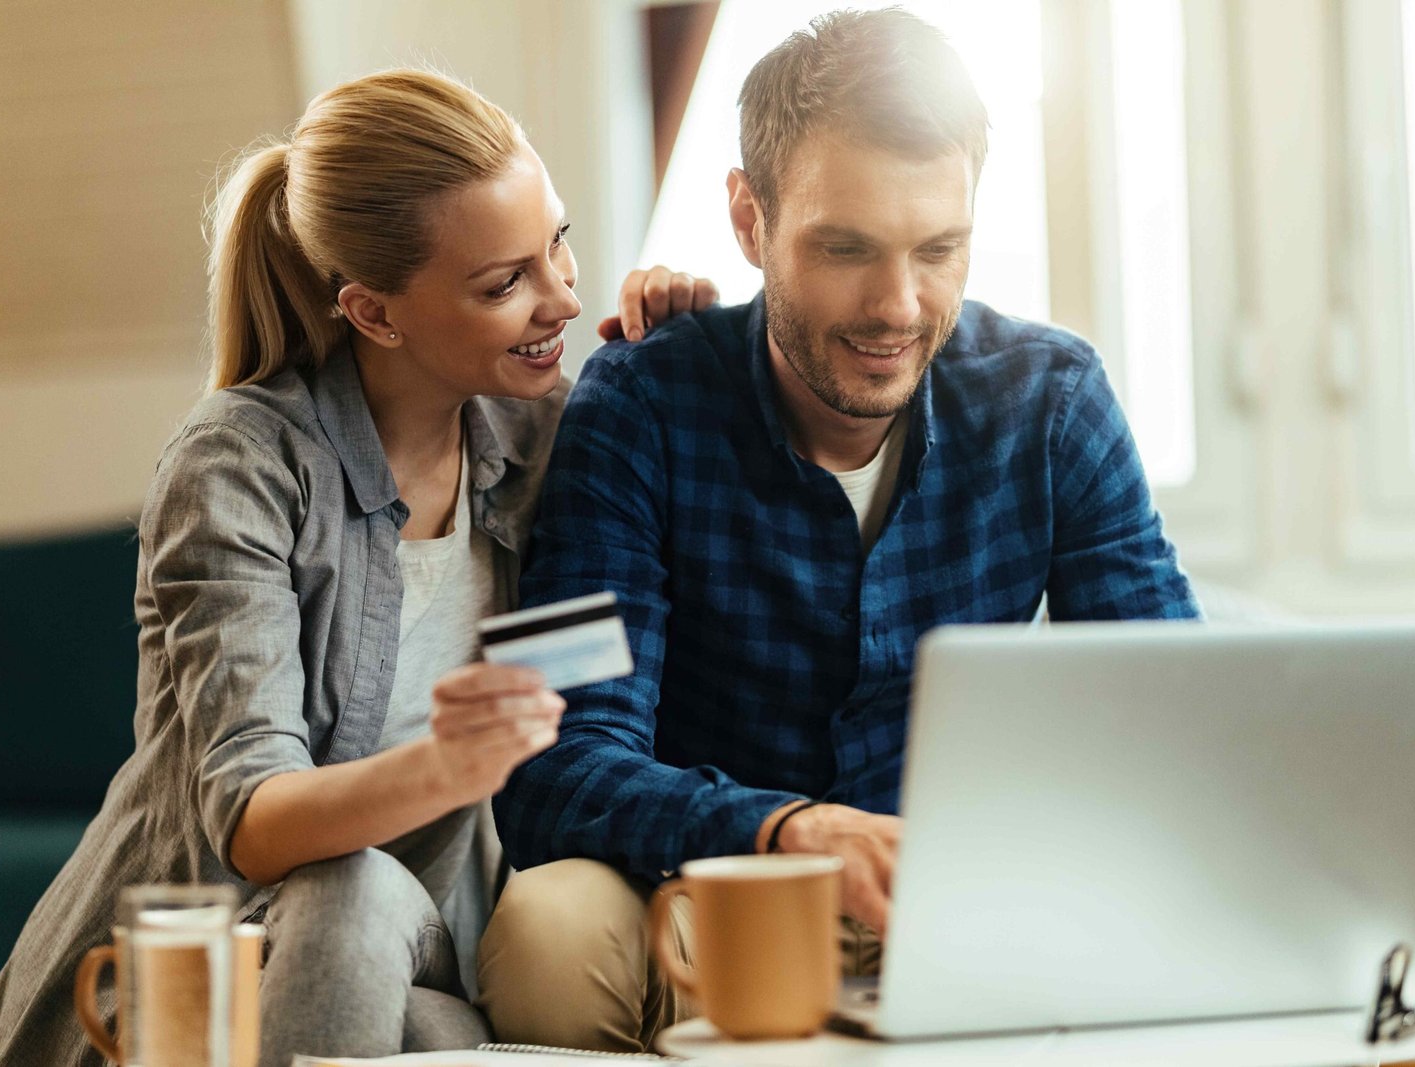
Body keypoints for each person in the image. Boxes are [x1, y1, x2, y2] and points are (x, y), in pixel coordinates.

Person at [478, 8, 1202, 1053]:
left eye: (938, 248)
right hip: (716, 905)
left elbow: (1173, 710)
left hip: (967, 903)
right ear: (748, 219)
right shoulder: (636, 404)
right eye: (845, 247)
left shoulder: (1052, 400)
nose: (897, 306)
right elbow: (551, 762)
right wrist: (785, 828)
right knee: (546, 929)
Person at [0, 68, 712, 1067]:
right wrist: (451, 762)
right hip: (202, 978)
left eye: (560, 244)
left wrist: (679, 372)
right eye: (504, 283)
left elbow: (652, 628)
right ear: (373, 313)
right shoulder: (238, 463)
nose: (563, 299)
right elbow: (255, 818)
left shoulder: (538, 436)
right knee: (349, 883)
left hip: (418, 959)